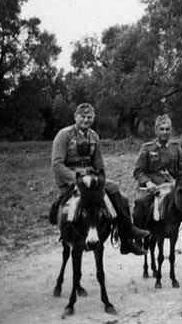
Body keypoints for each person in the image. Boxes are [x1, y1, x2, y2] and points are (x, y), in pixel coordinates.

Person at [49, 103, 149, 255]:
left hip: (91, 179)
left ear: (93, 119)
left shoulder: (94, 136)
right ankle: (69, 234)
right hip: (71, 180)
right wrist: (78, 179)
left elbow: (99, 165)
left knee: (118, 194)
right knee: (74, 206)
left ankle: (126, 236)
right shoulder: (64, 135)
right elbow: (57, 165)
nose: (86, 120)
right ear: (76, 117)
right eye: (83, 116)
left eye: (89, 117)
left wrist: (99, 179)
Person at [132, 114, 182, 249]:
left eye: (167, 129)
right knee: (140, 203)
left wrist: (178, 180)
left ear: (171, 130)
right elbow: (138, 171)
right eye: (161, 129)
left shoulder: (176, 148)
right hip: (153, 188)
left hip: (173, 187)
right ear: (156, 130)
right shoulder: (147, 148)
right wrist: (147, 183)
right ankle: (138, 238)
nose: (164, 132)